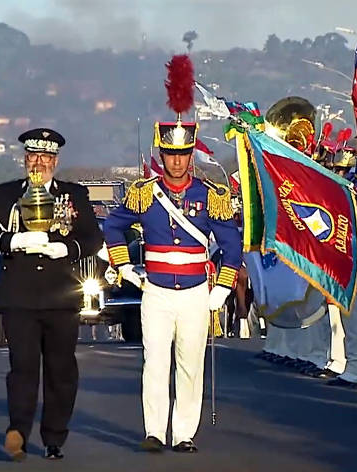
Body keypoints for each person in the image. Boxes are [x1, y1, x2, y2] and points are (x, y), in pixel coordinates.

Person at [103, 67, 243, 453]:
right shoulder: (145, 193)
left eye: (182, 155)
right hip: (157, 291)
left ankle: (183, 434)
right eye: (170, 155)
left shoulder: (210, 194)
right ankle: (153, 430)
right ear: (161, 154)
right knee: (154, 363)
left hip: (197, 292)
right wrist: (127, 268)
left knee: (190, 365)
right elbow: (113, 228)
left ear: (190, 154)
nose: (177, 162)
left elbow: (232, 243)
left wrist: (224, 288)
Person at [0, 128, 103, 461]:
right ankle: (18, 430)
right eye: (33, 157)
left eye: (46, 158)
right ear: (25, 159)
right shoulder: (4, 194)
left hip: (60, 295)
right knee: (23, 366)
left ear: (55, 161)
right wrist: (14, 241)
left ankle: (54, 437)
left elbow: (93, 239)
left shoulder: (73, 196)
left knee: (61, 369)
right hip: (19, 294)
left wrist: (66, 248)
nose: (39, 163)